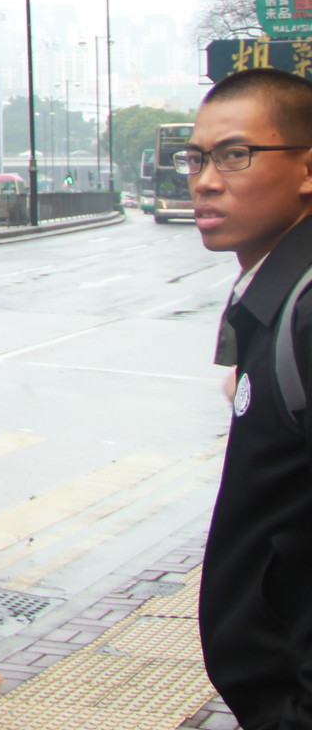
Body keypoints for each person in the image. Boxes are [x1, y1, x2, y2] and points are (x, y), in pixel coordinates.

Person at [183, 68, 312, 727]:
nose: (205, 179)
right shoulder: (272, 295)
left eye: (236, 155)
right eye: (196, 157)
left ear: (307, 169)